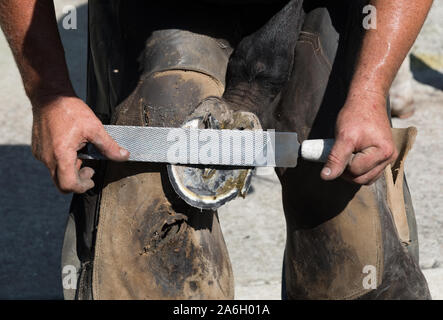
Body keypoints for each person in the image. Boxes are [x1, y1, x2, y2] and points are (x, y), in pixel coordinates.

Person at [0, 0, 433, 299]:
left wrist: (370, 90)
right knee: (149, 247)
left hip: (319, 8)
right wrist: (50, 94)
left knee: (355, 258)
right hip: (158, 13)